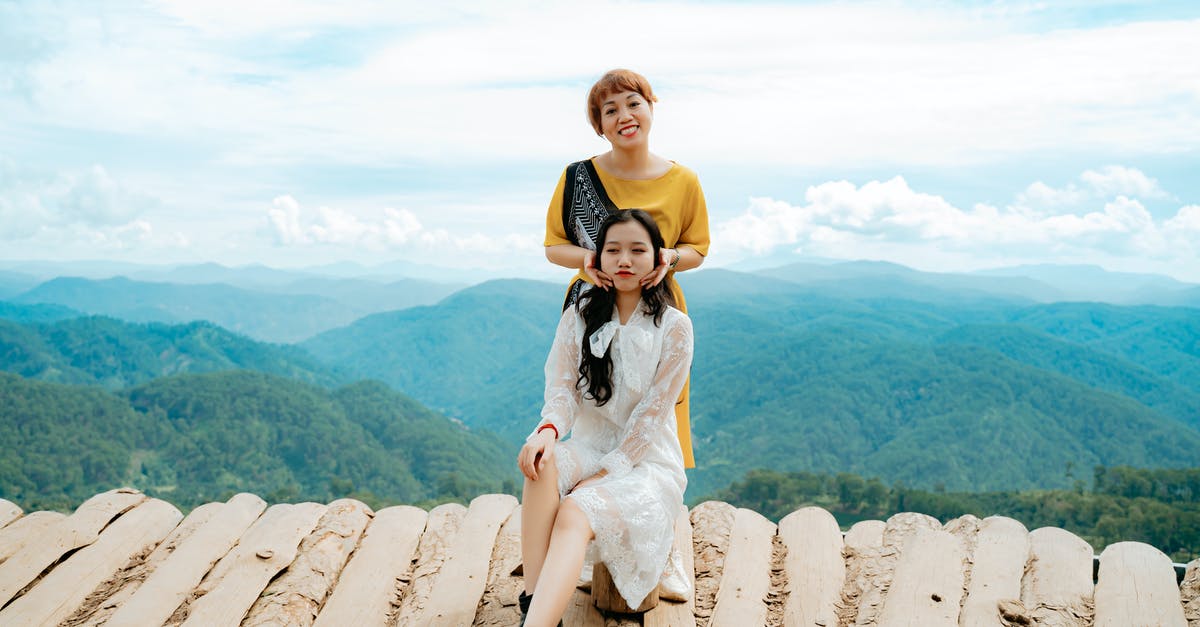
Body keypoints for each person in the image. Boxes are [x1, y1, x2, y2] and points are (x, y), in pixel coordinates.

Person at [519, 210, 694, 626]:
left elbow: (652, 418)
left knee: (576, 510)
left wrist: (606, 473)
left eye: (638, 250)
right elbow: (562, 389)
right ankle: (534, 599)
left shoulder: (674, 328)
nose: (624, 260)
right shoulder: (580, 312)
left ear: (659, 259)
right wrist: (546, 431)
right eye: (613, 250)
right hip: (591, 443)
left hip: (646, 460)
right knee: (541, 466)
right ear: (597, 257)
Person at [544, 68, 710, 471]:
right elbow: (554, 246)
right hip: (591, 308)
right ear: (599, 126)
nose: (624, 116)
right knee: (589, 402)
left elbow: (698, 250)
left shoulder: (684, 181)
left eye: (633, 103)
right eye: (610, 110)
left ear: (651, 108)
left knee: (655, 407)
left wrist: (669, 258)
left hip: (655, 310)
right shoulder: (577, 177)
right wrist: (587, 259)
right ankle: (585, 479)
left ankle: (650, 496)